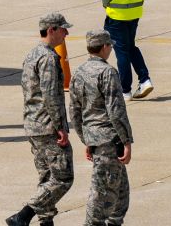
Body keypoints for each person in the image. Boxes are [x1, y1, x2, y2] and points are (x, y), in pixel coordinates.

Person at [6, 14, 73, 226]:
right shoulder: (48, 57)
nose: (66, 33)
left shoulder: (32, 54)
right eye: (63, 29)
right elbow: (51, 94)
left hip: (32, 124)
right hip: (47, 126)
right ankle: (23, 215)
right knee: (62, 178)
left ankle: (46, 222)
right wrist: (61, 126)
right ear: (51, 30)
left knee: (46, 178)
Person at [70, 30, 135, 226]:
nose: (111, 49)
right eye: (110, 46)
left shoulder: (79, 72)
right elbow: (115, 111)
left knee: (121, 194)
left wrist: (87, 139)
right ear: (104, 47)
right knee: (102, 193)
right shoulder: (107, 72)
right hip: (109, 140)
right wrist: (127, 141)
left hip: (96, 139)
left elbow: (74, 110)